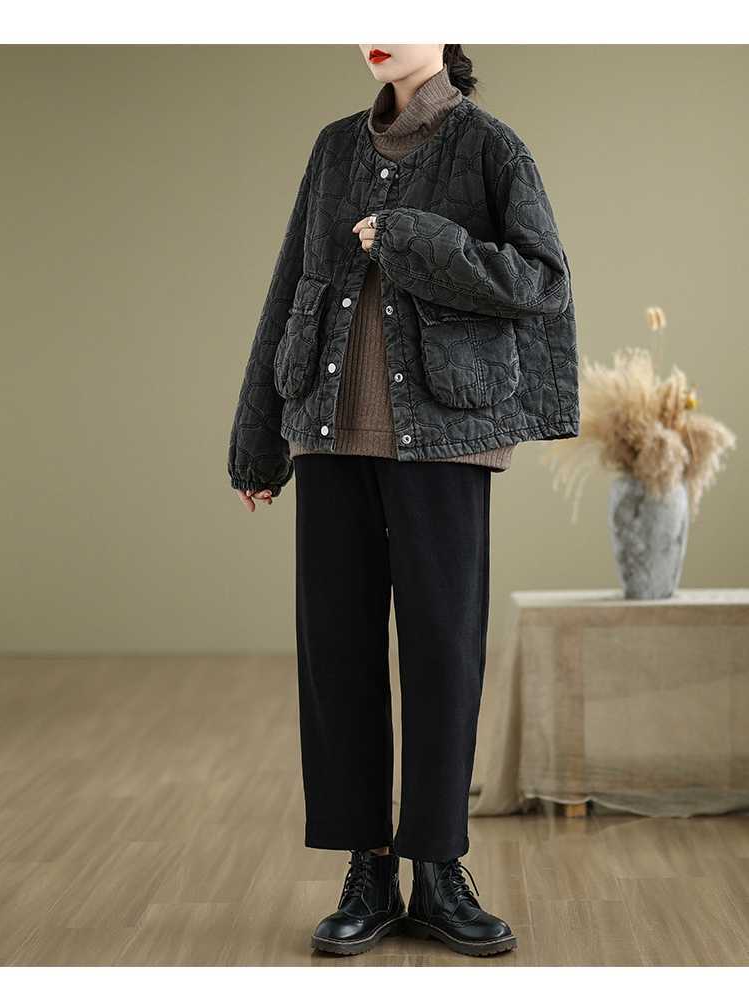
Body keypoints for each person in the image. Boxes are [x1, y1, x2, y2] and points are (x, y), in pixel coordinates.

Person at [227, 44, 579, 957]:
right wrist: (259, 436)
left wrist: (418, 241)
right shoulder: (334, 146)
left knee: (442, 656)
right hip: (328, 431)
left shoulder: (491, 147)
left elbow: (542, 281)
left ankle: (440, 871)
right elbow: (286, 284)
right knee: (337, 656)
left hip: (446, 437)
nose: (376, 28)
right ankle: (369, 870)